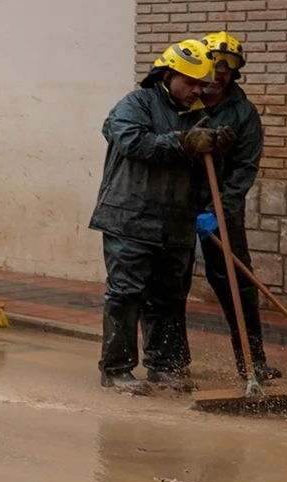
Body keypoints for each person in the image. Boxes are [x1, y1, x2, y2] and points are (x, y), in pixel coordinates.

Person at [88, 39, 234, 394]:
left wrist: (216, 152)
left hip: (177, 223)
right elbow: (132, 142)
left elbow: (205, 174)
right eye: (191, 82)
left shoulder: (199, 117)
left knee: (169, 296)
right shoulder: (134, 105)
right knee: (126, 294)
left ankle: (166, 366)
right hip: (130, 218)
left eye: (203, 84)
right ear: (168, 75)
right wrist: (183, 142)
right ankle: (117, 369)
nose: (198, 89)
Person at [195, 30, 278, 381]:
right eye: (216, 63)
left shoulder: (243, 114)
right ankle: (168, 364)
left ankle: (252, 361)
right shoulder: (183, 102)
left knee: (238, 286)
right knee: (167, 283)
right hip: (173, 206)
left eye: (229, 67)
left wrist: (218, 210)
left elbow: (245, 169)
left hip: (221, 210)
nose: (221, 73)